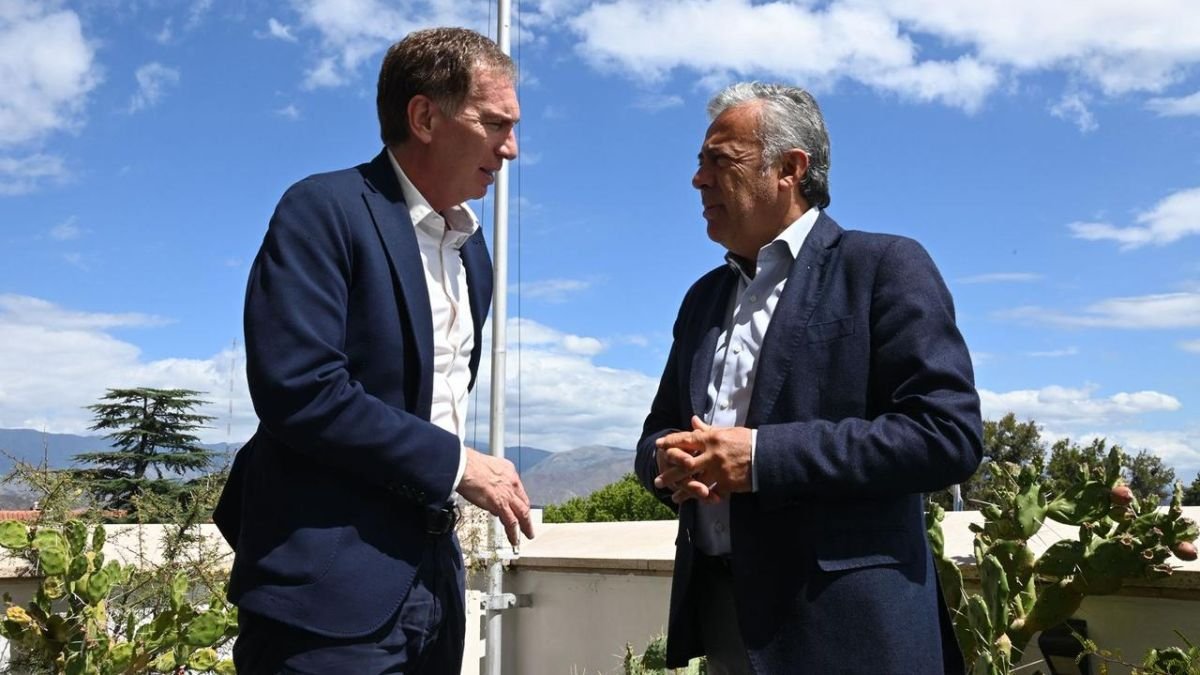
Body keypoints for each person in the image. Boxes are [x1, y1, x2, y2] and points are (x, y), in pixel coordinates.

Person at [213, 27, 534, 674]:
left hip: (434, 586)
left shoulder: (472, 253)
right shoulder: (322, 210)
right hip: (326, 596)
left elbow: (432, 398)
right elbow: (301, 390)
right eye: (495, 123)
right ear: (424, 117)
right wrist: (460, 465)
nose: (511, 148)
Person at [636, 82, 983, 674]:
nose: (698, 180)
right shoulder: (702, 298)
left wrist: (761, 458)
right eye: (700, 163)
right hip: (724, 620)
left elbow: (946, 436)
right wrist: (666, 462)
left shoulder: (882, 267)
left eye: (719, 161)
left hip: (849, 631)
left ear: (789, 169)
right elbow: (657, 430)